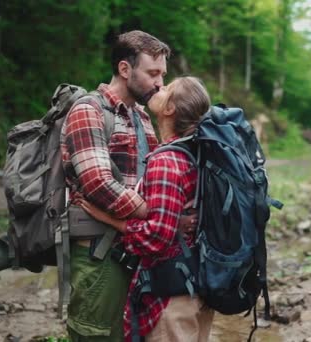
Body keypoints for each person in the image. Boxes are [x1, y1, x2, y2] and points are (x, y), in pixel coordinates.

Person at [79, 76, 215, 342]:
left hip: (172, 296)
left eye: (167, 88)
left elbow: (156, 237)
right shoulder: (197, 153)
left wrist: (110, 219)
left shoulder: (167, 160)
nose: (159, 87)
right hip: (197, 284)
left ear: (169, 109)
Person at [60, 30, 173, 341]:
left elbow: (152, 177)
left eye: (162, 74)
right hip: (98, 252)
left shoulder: (143, 117)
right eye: (153, 73)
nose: (160, 83)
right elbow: (98, 183)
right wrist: (156, 213)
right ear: (125, 69)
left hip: (135, 248)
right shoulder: (88, 110)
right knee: (96, 334)